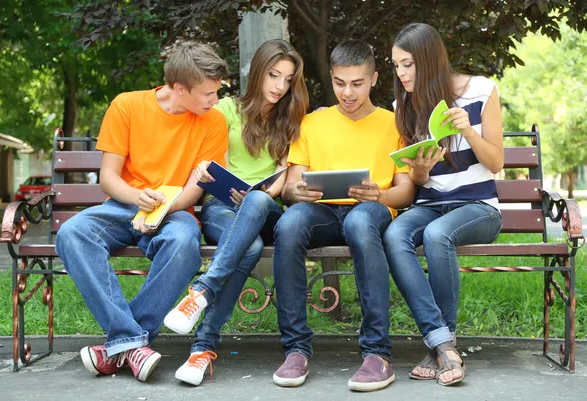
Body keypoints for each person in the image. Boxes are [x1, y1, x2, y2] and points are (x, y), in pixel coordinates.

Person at [55, 42, 229, 382]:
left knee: (184, 241)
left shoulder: (214, 122)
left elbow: (196, 189)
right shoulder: (127, 105)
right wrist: (139, 199)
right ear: (180, 88)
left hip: (175, 212)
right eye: (207, 93)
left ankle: (123, 345)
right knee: (72, 232)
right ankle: (133, 342)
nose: (214, 100)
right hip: (123, 205)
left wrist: (161, 210)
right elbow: (108, 178)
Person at [271, 39, 416, 392]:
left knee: (361, 221)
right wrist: (296, 192)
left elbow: (406, 191)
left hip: (370, 210)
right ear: (332, 78)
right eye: (339, 83)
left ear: (374, 79)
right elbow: (290, 186)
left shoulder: (394, 122)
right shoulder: (311, 123)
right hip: (320, 210)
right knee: (288, 223)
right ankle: (295, 349)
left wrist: (379, 194)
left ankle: (377, 353)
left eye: (357, 83)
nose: (347, 93)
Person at [163, 39, 309, 386]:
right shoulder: (227, 109)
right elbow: (216, 160)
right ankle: (201, 351)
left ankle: (201, 292)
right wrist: (215, 178)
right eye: (274, 75)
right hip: (222, 205)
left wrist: (260, 193)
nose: (279, 86)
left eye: (288, 79)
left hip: (266, 206)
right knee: (252, 247)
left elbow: (283, 176)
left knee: (258, 202)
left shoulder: (290, 118)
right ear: (258, 72)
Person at [384, 22, 504, 386]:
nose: (402, 73)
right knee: (394, 234)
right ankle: (442, 343)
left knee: (437, 235)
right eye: (396, 65)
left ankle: (442, 344)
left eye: (409, 64)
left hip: (479, 207)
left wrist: (468, 130)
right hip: (430, 204)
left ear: (429, 60)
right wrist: (419, 170)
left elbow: (497, 162)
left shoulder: (481, 90)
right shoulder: (402, 104)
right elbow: (418, 183)